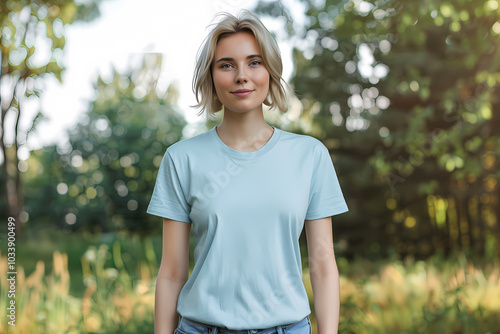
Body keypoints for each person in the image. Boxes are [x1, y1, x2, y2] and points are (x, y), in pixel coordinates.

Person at [147, 9, 349, 334]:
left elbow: (323, 265)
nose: (242, 75)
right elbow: (171, 273)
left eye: (254, 62)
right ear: (211, 76)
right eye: (226, 65)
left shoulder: (310, 156)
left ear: (270, 71)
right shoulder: (181, 159)